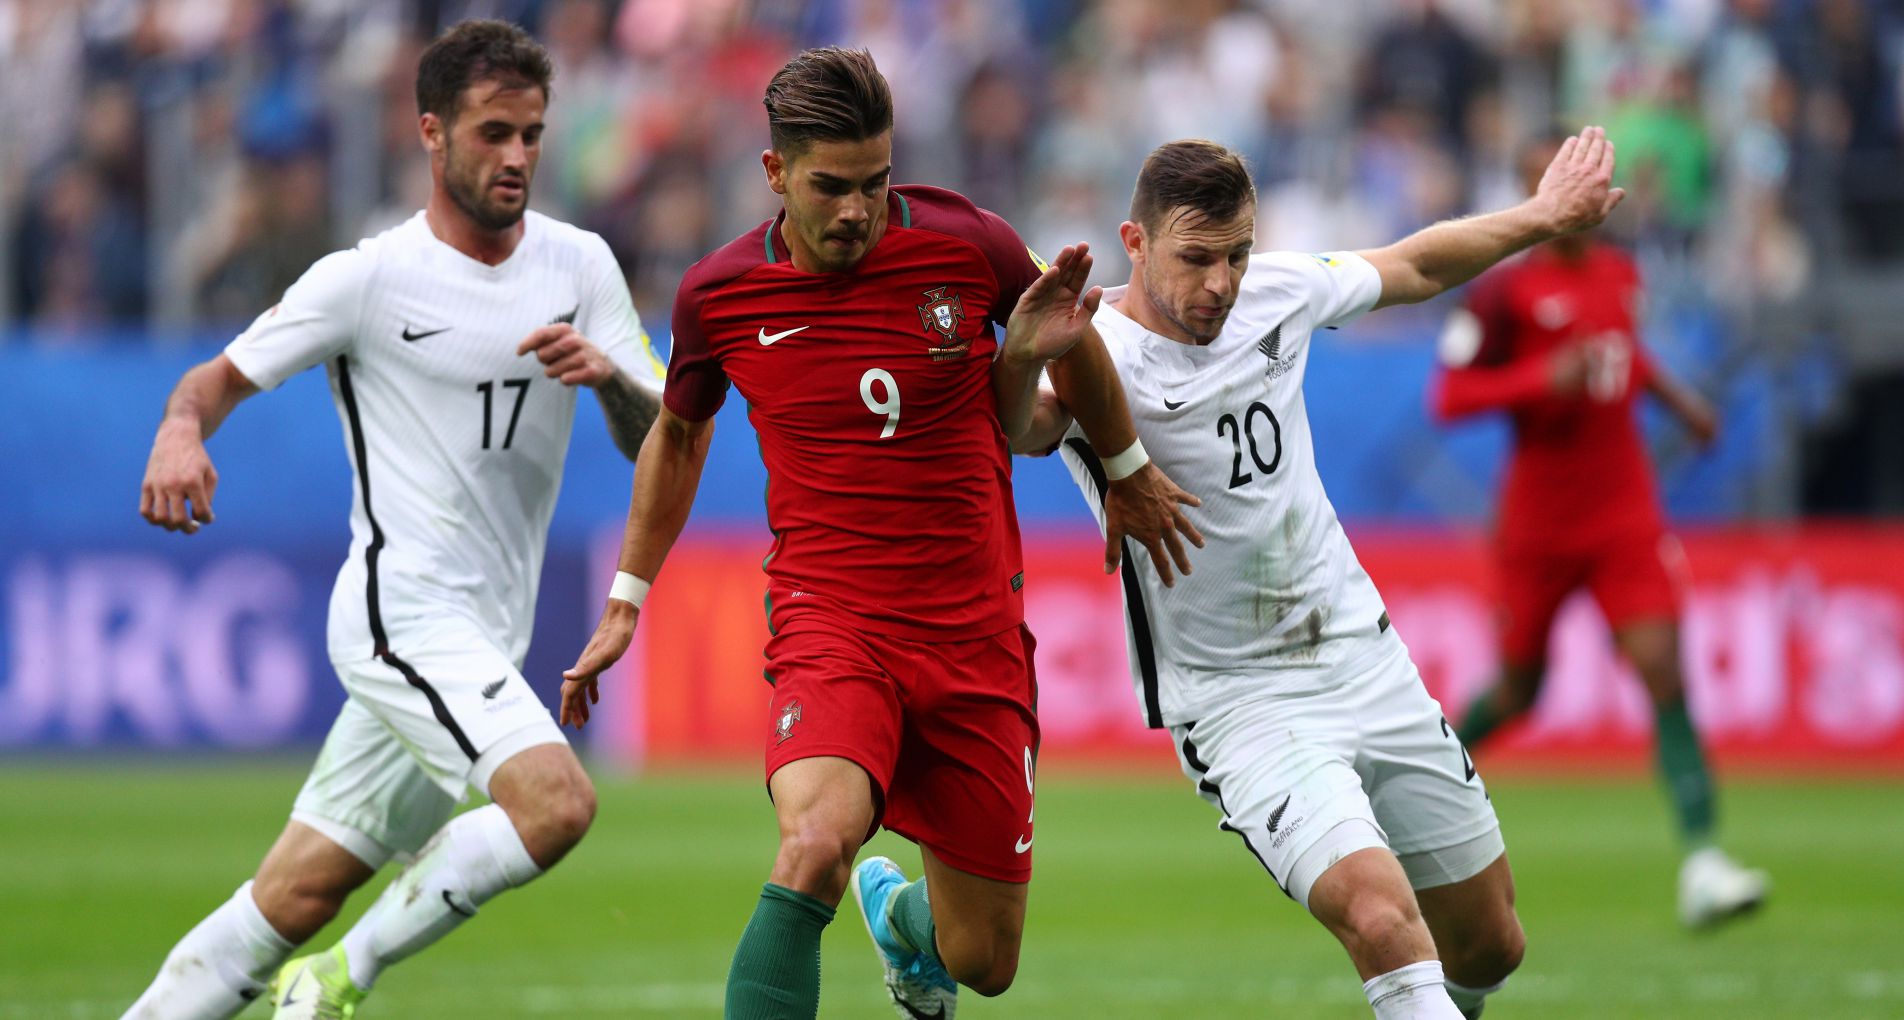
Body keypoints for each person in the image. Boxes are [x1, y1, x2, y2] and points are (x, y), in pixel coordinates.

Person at [559, 47, 1199, 1020]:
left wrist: (1127, 467)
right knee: (816, 843)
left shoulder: (968, 244)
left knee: (984, 960)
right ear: (775, 173)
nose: (858, 210)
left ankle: (902, 923)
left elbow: (1069, 344)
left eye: (875, 181)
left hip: (974, 631)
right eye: (831, 186)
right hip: (832, 623)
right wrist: (626, 600)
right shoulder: (719, 294)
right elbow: (679, 437)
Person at [1016, 131, 1626, 1019]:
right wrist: (1018, 357)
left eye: (1237, 254)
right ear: (1135, 243)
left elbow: (1415, 264)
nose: (1221, 282)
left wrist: (1543, 216)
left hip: (1360, 655)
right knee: (1381, 920)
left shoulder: (1278, 292)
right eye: (1196, 257)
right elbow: (1023, 427)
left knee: (1490, 944)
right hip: (1240, 702)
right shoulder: (1091, 351)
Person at [123, 21, 663, 1020]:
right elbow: (212, 382)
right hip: (400, 615)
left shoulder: (581, 265)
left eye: (532, 134)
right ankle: (336, 981)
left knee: (294, 893)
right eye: (493, 132)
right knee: (556, 804)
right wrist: (177, 432)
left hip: (484, 631)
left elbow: (658, 440)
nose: (517, 156)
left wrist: (610, 382)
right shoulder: (367, 279)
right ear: (431, 131)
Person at [1433, 137, 1768, 930]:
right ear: (1530, 188)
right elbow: (1448, 398)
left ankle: (1703, 863)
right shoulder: (1502, 293)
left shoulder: (1622, 275)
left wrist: (1682, 405)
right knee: (1519, 691)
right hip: (1539, 523)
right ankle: (1414, 781)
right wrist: (1539, 378)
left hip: (1623, 512)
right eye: (1551, 177)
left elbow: (1626, 356)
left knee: (1663, 668)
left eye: (1583, 175)